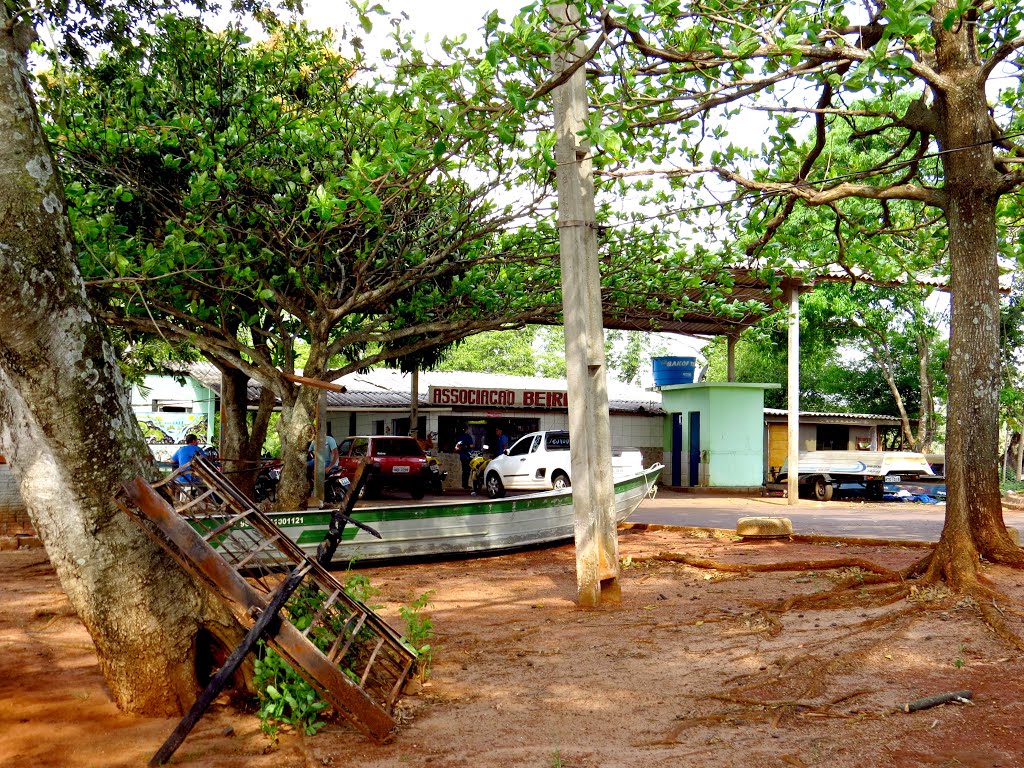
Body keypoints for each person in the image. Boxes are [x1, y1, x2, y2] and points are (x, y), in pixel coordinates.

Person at [454, 425, 474, 489]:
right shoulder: (468, 436)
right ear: (467, 430)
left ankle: (464, 484)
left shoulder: (459, 437)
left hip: (462, 456)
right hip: (468, 455)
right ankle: (465, 485)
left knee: (464, 470)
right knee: (467, 471)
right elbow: (471, 445)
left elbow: (457, 447)